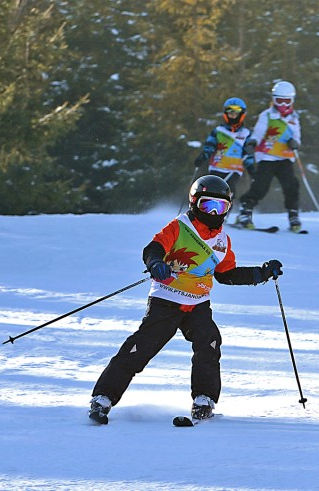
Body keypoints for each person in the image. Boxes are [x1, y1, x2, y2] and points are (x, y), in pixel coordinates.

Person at [89, 175, 283, 424]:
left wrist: (262, 273)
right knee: (141, 347)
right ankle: (103, 397)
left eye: (220, 206)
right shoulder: (180, 227)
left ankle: (204, 399)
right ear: (194, 202)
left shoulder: (222, 241)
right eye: (207, 205)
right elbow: (153, 248)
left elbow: (227, 274)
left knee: (209, 343)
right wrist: (156, 263)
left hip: (198, 304)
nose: (213, 212)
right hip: (166, 300)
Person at [235, 81, 302, 232]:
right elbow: (258, 133)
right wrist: (252, 143)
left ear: (292, 100)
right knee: (261, 186)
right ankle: (245, 211)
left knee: (291, 185)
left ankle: (293, 215)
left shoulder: (294, 118)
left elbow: (298, 138)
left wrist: (295, 143)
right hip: (267, 157)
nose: (283, 105)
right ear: (274, 99)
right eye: (279, 100)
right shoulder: (267, 116)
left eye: (287, 101)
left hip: (285, 157)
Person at [193, 97, 256, 213]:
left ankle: (223, 214)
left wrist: (251, 169)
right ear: (226, 114)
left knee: (228, 191)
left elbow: (248, 155)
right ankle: (204, 211)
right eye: (230, 112)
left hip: (234, 170)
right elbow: (209, 146)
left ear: (241, 114)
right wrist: (203, 156)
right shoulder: (218, 131)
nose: (233, 115)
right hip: (217, 166)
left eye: (236, 113)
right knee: (212, 189)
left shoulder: (246, 134)